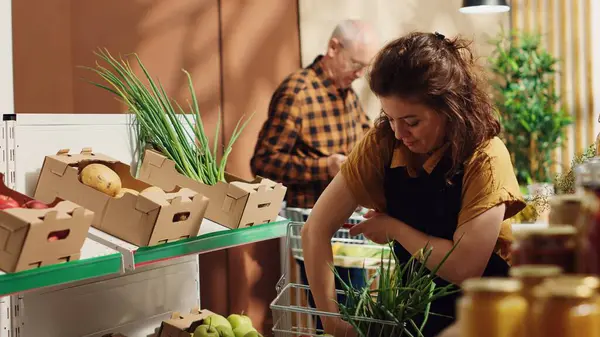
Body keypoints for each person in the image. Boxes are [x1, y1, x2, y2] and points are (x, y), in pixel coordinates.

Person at [300, 31, 526, 337]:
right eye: (390, 119)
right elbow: (315, 230)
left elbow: (463, 267)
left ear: (450, 108)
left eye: (412, 121)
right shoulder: (381, 144)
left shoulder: (486, 156)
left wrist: (393, 229)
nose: (399, 133)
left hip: (489, 319)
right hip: (419, 317)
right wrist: (332, 322)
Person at [250, 19, 380, 331]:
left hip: (350, 229)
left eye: (365, 67)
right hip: (313, 225)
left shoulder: (346, 92)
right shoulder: (297, 92)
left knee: (357, 312)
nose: (360, 74)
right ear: (333, 48)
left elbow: (368, 139)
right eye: (355, 64)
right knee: (335, 317)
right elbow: (263, 163)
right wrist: (327, 166)